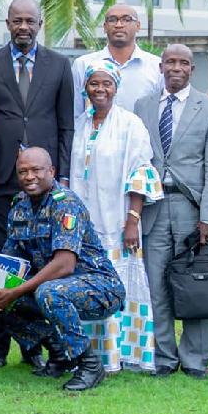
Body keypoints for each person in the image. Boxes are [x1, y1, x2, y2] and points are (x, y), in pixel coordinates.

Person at [0, 0, 73, 370]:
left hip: (46, 187)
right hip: (1, 186)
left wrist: (62, 180)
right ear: (8, 23)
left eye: (30, 20)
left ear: (40, 23)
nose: (24, 27)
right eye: (17, 21)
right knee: (0, 265)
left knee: (40, 265)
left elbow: (65, 127)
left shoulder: (61, 66)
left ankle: (33, 346)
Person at [0, 148, 125, 392]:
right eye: (23, 172)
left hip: (99, 286)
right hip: (51, 286)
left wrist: (16, 291)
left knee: (49, 292)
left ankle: (89, 365)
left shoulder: (66, 204)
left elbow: (65, 265)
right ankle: (59, 354)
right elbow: (11, 258)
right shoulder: (19, 205)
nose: (29, 177)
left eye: (36, 170)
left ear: (52, 171)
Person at [132, 44, 208, 379]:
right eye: (170, 62)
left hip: (192, 208)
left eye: (183, 63)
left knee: (195, 281)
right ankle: (163, 356)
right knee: (156, 282)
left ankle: (195, 358)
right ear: (160, 67)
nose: (176, 67)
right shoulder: (143, 106)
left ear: (192, 69)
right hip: (153, 207)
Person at [68, 59, 163, 375]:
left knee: (117, 284)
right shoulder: (80, 124)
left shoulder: (130, 124)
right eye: (94, 83)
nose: (100, 89)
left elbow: (141, 171)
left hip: (118, 222)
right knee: (83, 284)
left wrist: (133, 219)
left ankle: (119, 355)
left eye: (106, 83)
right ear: (85, 87)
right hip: (83, 226)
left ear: (116, 87)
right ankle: (88, 355)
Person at [69, 3, 163, 119]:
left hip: (141, 136)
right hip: (93, 136)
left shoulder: (156, 66)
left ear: (138, 26)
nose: (119, 25)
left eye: (126, 20)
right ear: (104, 27)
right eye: (112, 20)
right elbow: (75, 114)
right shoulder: (83, 65)